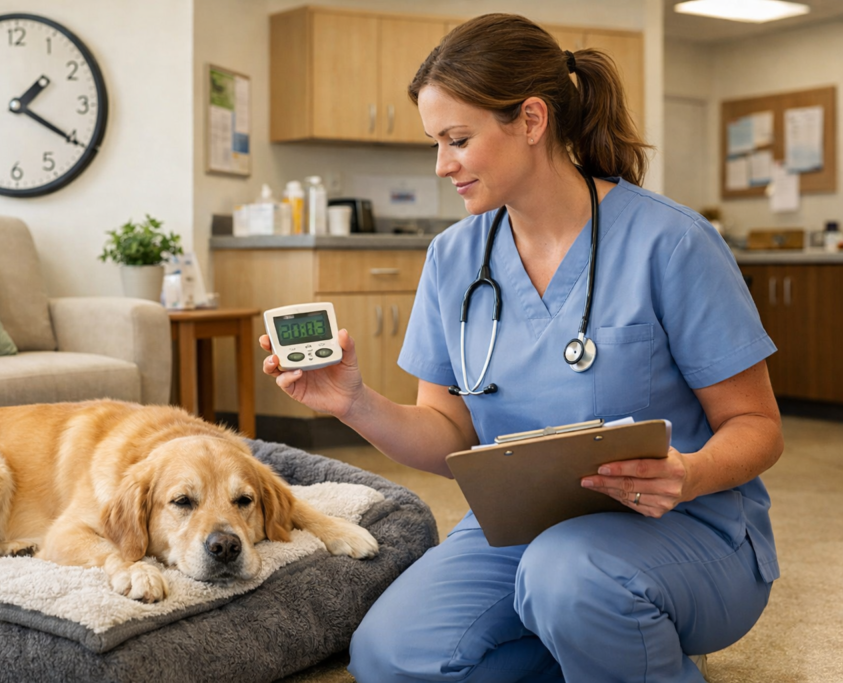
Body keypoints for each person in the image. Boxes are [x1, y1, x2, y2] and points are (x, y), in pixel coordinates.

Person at [259, 13, 783, 683]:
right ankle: (614, 636)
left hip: (682, 525)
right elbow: (449, 431)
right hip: (523, 532)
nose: (442, 165)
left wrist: (689, 473)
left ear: (531, 120)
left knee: (570, 576)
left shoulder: (671, 243)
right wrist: (354, 402)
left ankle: (621, 621)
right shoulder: (455, 257)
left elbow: (758, 426)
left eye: (457, 139)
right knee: (390, 656)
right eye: (434, 142)